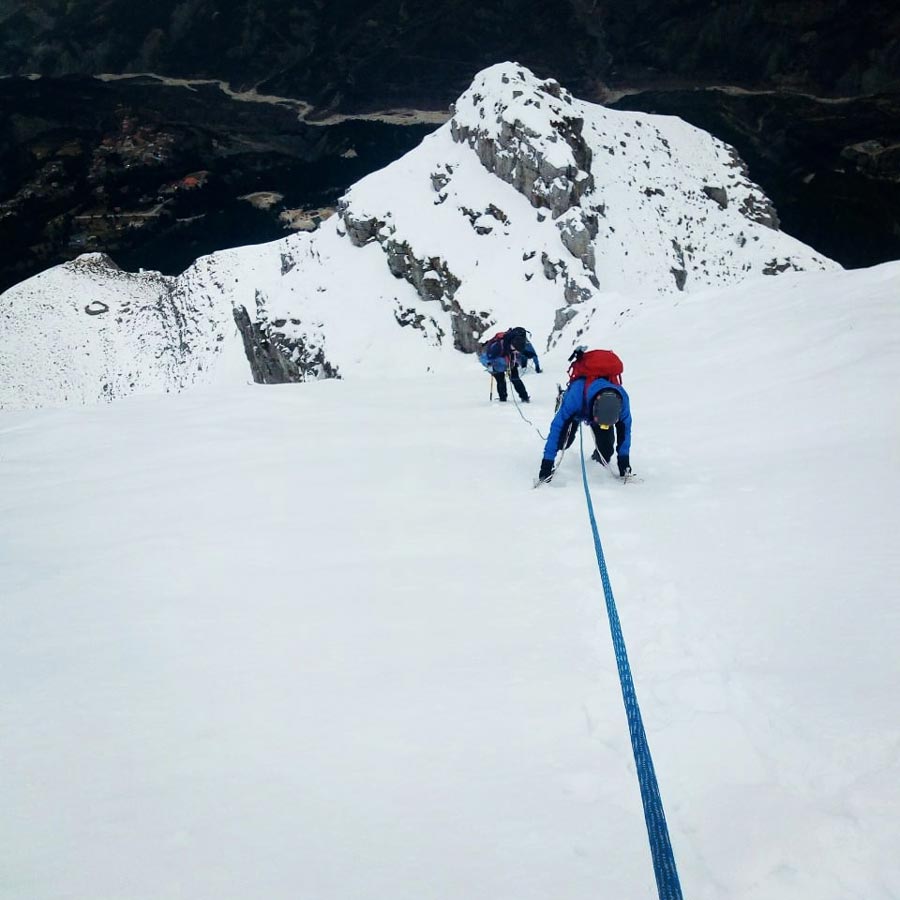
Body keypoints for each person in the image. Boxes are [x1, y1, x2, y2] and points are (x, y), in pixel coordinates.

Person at [537, 375, 633, 483]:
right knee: (562, 442)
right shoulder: (575, 397)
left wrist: (624, 462)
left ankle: (594, 464)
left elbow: (625, 432)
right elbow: (557, 428)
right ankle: (562, 397)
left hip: (600, 413)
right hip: (576, 409)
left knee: (606, 451)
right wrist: (547, 464)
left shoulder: (623, 400)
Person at [479, 326, 537, 402]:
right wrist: (490, 366)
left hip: (509, 362)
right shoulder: (497, 347)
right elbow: (486, 357)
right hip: (496, 364)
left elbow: (519, 350)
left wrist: (527, 354)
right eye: (515, 350)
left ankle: (524, 397)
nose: (516, 352)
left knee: (515, 379)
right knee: (500, 380)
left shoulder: (515, 343)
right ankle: (503, 399)